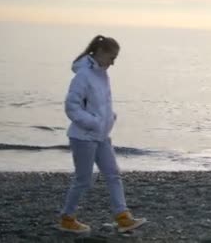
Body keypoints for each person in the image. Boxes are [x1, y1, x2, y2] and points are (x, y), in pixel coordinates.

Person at [58, 35, 146, 234]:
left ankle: (123, 217)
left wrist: (109, 119)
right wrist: (94, 122)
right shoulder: (83, 75)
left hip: (101, 135)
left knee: (113, 174)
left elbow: (102, 104)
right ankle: (67, 218)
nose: (113, 62)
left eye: (116, 58)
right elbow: (71, 107)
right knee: (83, 179)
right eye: (111, 57)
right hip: (83, 136)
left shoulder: (103, 74)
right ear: (99, 52)